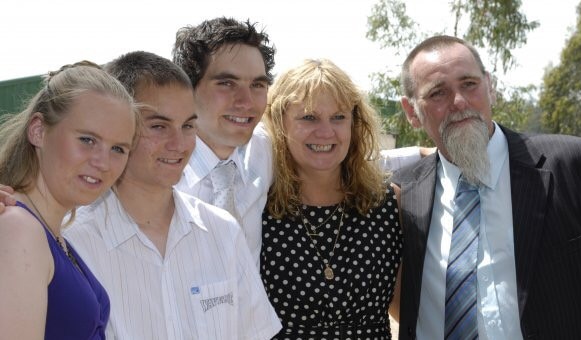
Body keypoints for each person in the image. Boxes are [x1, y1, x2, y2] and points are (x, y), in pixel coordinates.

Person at [393, 35, 581, 339]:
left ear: (489, 87)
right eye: (438, 93)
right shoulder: (403, 197)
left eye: (469, 84)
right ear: (412, 112)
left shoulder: (577, 167)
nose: (460, 102)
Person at [172, 17, 426, 268]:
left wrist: (431, 155)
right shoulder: (154, 177)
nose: (245, 100)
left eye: (257, 84)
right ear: (186, 87)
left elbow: (346, 158)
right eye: (226, 83)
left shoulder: (261, 151)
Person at [63, 51, 281, 339]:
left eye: (188, 126)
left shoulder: (223, 231)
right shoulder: (71, 244)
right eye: (158, 126)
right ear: (115, 128)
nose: (179, 144)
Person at [261, 58, 403, 339]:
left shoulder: (388, 203)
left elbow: (407, 311)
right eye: (309, 117)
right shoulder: (256, 206)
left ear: (354, 123)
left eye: (338, 117)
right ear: (280, 123)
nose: (326, 132)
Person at [0, 61, 138, 339]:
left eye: (118, 149)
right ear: (38, 131)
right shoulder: (18, 228)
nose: (103, 162)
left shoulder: (51, 234)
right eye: (87, 139)